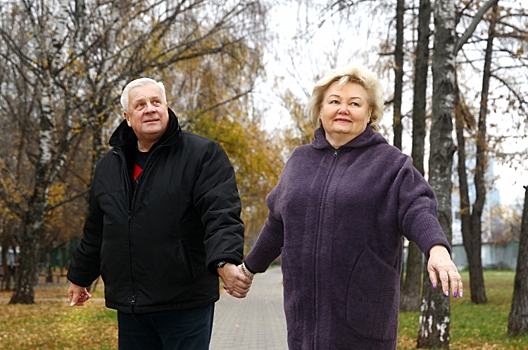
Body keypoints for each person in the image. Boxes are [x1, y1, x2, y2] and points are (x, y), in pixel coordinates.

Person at [239, 63, 463, 349]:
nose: (343, 109)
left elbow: (418, 207)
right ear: (320, 109)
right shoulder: (299, 161)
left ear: (369, 113)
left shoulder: (391, 164)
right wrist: (248, 270)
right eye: (334, 101)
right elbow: (277, 224)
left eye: (354, 103)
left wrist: (437, 249)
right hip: (304, 320)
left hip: (363, 319)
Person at [67, 77, 252, 350]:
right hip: (132, 306)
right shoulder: (109, 166)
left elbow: (221, 214)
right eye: (140, 105)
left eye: (156, 102)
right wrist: (79, 276)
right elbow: (98, 229)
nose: (150, 109)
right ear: (128, 117)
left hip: (184, 301)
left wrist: (224, 260)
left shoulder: (202, 154)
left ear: (167, 107)